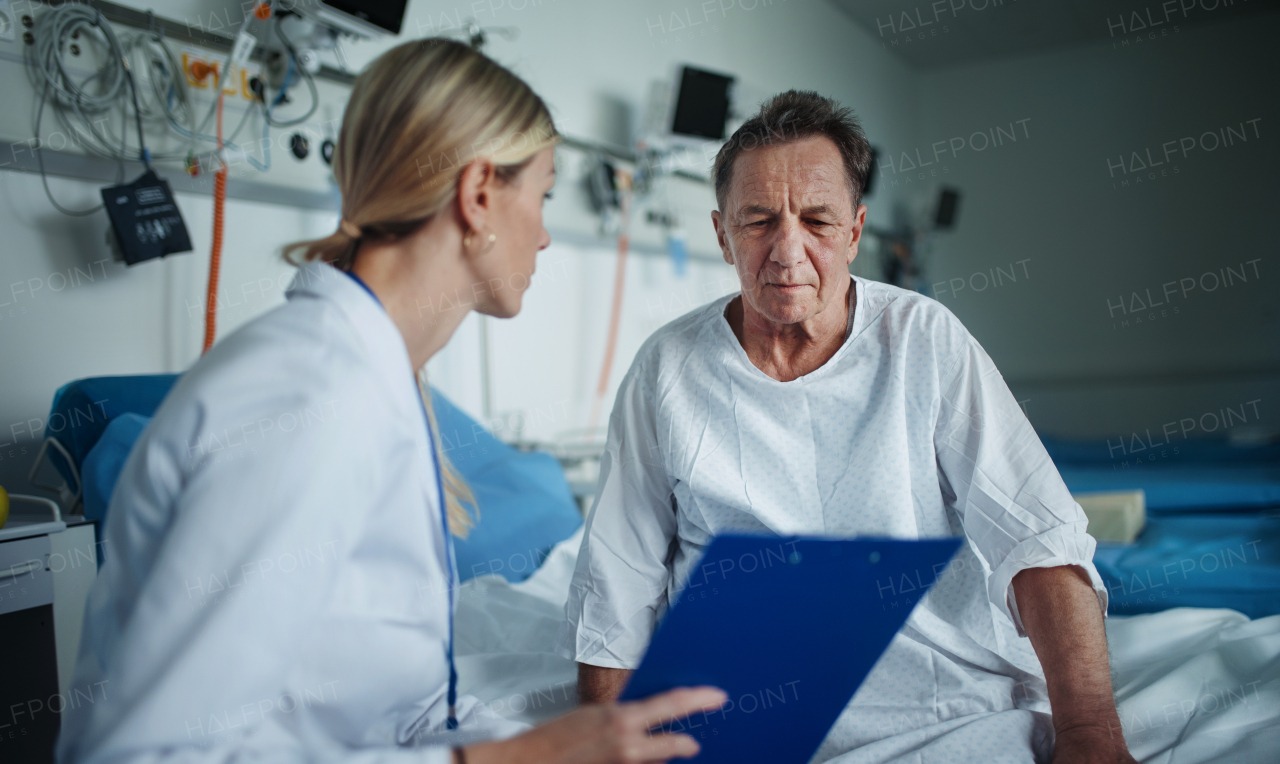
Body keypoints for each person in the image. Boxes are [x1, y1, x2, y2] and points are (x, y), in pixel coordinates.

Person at [57, 38, 724, 764]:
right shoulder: (307, 400)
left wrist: (563, 743)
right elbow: (144, 756)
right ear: (477, 196)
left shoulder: (377, 383)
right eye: (544, 195)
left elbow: (402, 710)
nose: (545, 236)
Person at [557, 91, 1138, 764]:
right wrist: (607, 746)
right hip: (736, 712)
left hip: (940, 699)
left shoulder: (924, 340)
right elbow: (615, 586)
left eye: (817, 220)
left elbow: (1039, 541)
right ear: (721, 234)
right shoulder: (667, 368)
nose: (787, 251)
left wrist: (1090, 733)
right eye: (758, 220)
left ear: (857, 231)